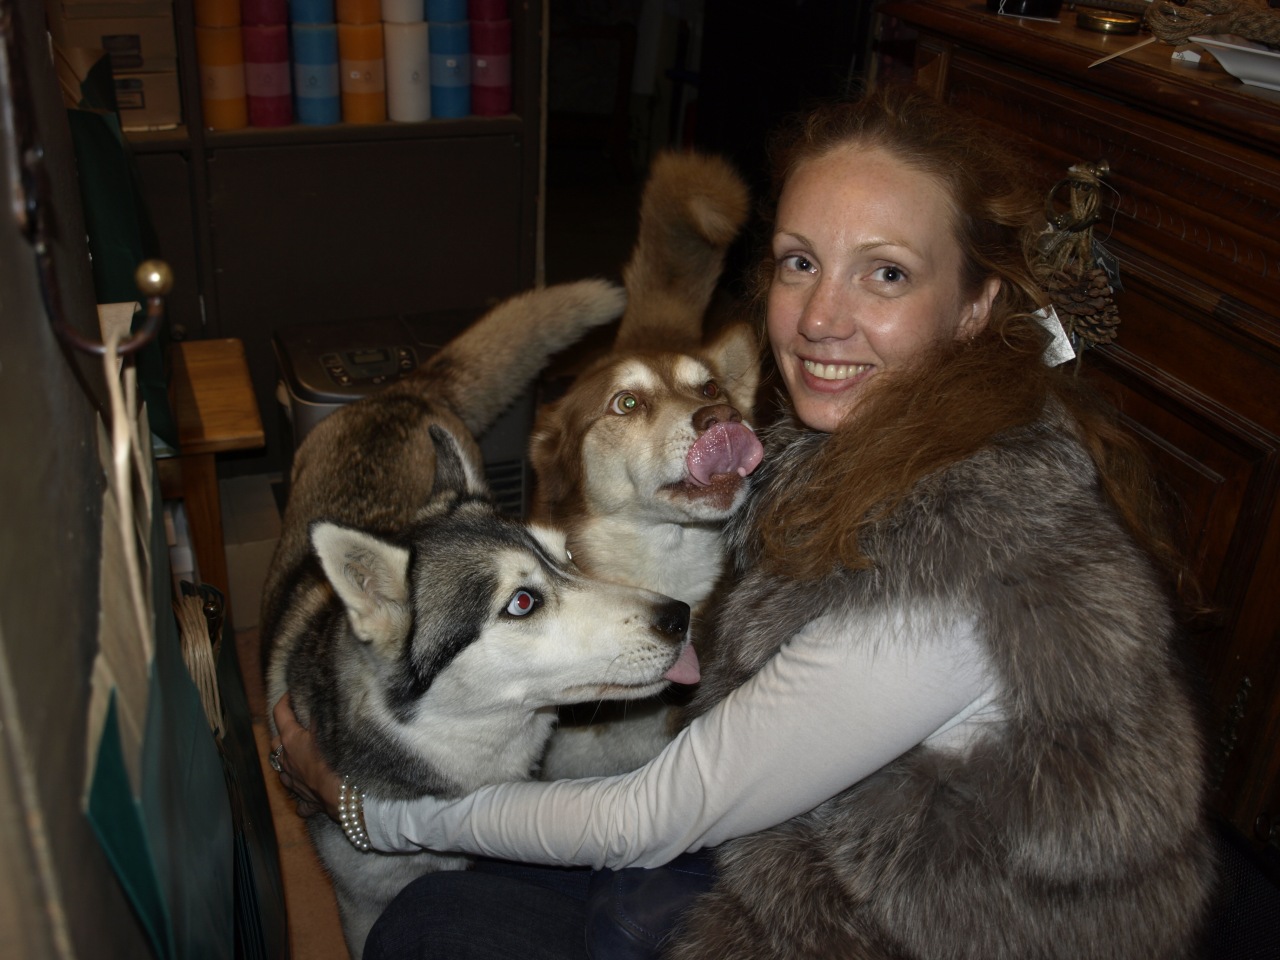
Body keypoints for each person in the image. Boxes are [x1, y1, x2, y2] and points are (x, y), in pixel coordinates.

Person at [272, 84, 1213, 960]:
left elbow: (648, 816)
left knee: (436, 923)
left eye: (885, 273)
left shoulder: (949, 568)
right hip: (812, 827)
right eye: (801, 262)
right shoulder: (882, 441)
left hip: (922, 925)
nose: (820, 318)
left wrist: (370, 814)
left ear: (975, 307)